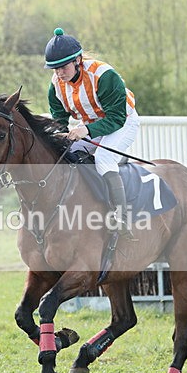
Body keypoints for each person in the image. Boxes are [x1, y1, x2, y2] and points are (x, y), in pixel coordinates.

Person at [44, 27, 139, 236]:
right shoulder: (56, 85)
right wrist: (59, 134)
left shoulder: (104, 75)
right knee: (63, 154)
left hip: (123, 123)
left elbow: (116, 118)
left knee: (104, 157)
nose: (59, 72)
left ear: (77, 60)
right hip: (91, 126)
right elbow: (59, 118)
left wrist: (85, 130)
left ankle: (121, 219)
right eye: (54, 68)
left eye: (63, 66)